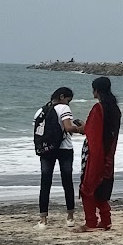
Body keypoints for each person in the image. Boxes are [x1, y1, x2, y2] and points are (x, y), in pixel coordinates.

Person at [76, 76, 121, 233]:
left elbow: (93, 133)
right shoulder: (115, 109)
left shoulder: (98, 109)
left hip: (96, 154)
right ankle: (106, 221)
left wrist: (83, 128)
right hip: (109, 154)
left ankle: (91, 223)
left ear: (96, 90)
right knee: (101, 188)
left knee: (88, 187)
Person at [34, 87, 83, 229]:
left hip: (47, 150)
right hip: (64, 149)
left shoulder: (40, 111)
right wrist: (81, 129)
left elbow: (38, 132)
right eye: (69, 100)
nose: (69, 103)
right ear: (62, 97)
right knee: (67, 182)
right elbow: (67, 127)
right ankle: (70, 218)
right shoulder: (64, 108)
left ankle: (43, 221)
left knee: (45, 183)